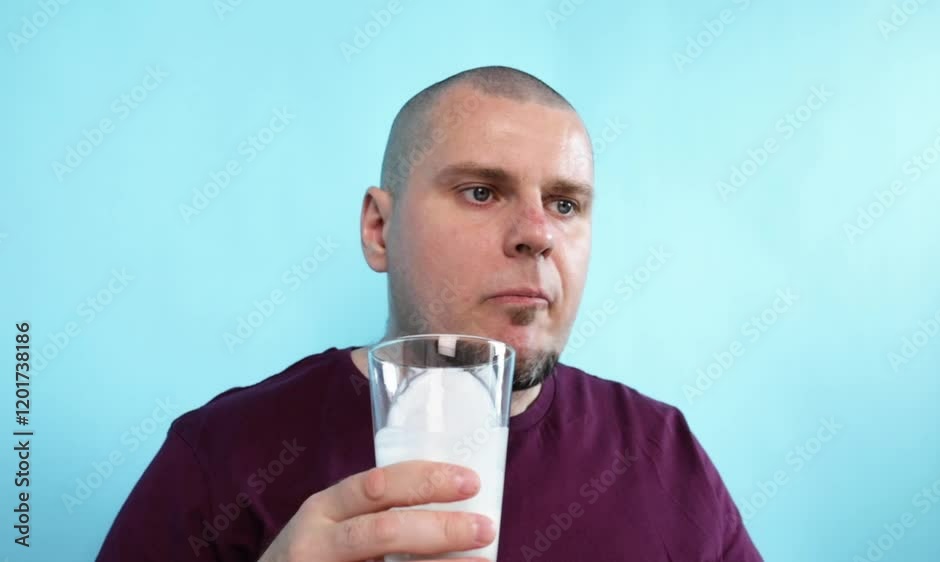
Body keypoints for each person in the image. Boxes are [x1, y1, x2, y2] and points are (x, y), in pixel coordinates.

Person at [96, 65, 763, 561]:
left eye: (565, 204)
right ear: (379, 231)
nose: (539, 233)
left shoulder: (662, 455)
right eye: (481, 191)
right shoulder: (220, 456)